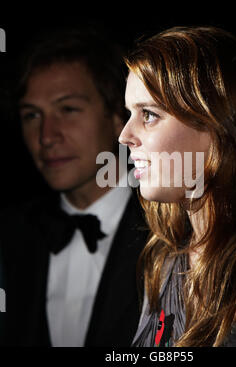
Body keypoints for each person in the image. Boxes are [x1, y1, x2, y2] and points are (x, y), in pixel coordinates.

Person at [118, 26, 236, 347]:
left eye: (148, 114)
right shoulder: (167, 252)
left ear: (214, 124)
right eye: (129, 113)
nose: (124, 135)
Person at [0, 24, 148, 347]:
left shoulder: (174, 229)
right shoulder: (10, 234)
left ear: (117, 116)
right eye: (31, 116)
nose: (46, 136)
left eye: (68, 109)